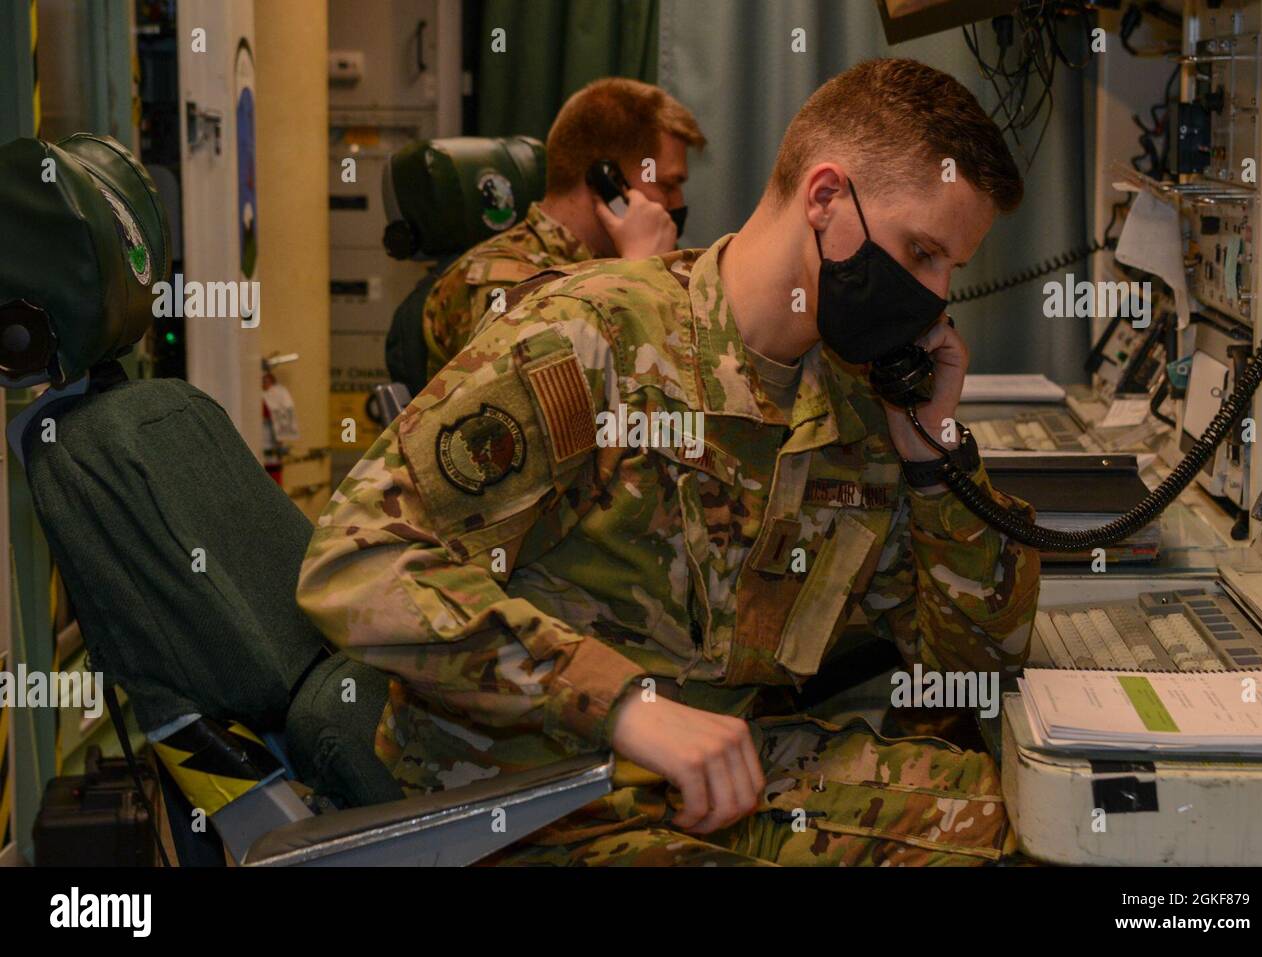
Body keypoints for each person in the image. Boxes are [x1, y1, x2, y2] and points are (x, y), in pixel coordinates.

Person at [298, 58, 1041, 866]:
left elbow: (974, 670)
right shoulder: (595, 336)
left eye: (948, 271)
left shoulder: (856, 397)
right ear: (826, 200)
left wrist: (937, 457)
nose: (933, 299)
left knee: (1035, 830)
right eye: (923, 253)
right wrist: (622, 702)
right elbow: (356, 558)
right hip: (530, 796)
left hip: (724, 781)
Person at [419, 77, 706, 378]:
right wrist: (637, 277)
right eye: (667, 185)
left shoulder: (616, 264)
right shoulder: (501, 279)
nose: (677, 203)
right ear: (607, 179)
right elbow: (557, 396)